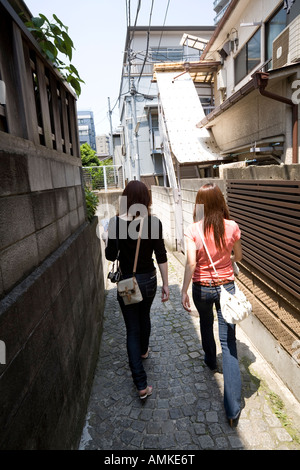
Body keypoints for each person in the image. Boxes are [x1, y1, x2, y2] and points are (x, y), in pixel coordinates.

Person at [181, 183, 243, 427]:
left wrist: (183, 291)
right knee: (229, 344)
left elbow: (191, 263)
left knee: (206, 324)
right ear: (221, 201)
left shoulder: (193, 229)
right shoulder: (232, 227)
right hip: (227, 287)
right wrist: (225, 256)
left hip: (202, 288)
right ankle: (232, 410)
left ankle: (209, 359)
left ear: (200, 204)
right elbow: (238, 256)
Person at [105, 180, 169, 400]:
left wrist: (108, 239)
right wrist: (166, 284)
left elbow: (110, 256)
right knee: (145, 316)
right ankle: (143, 351)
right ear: (146, 199)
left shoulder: (116, 223)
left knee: (132, 328)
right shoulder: (154, 223)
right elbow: (161, 255)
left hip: (127, 282)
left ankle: (141, 384)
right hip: (149, 280)